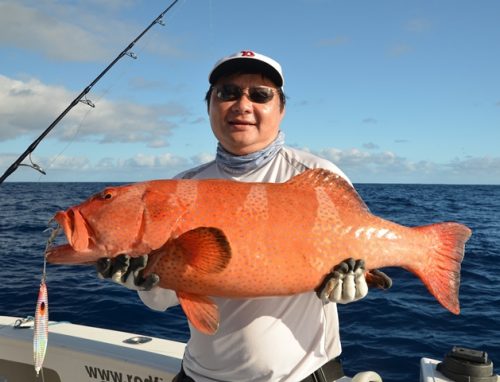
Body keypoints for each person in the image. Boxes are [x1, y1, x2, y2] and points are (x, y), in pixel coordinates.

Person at [97, 50, 391, 382]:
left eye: (260, 95)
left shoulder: (318, 175)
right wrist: (141, 278)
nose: (242, 104)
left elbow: (354, 247)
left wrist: (356, 284)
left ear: (281, 110)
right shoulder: (181, 186)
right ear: (209, 106)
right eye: (227, 93)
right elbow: (161, 301)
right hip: (198, 375)